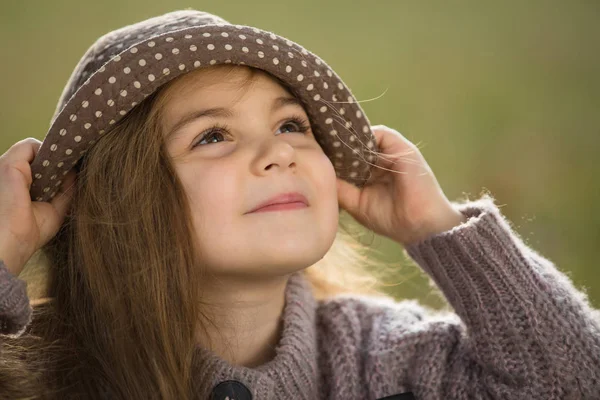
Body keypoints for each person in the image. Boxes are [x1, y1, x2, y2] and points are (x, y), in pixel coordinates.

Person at [0, 9, 598, 400]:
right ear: (120, 199)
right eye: (213, 135)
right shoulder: (39, 370)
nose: (279, 153)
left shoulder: (381, 361)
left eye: (291, 124)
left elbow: (575, 379)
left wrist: (437, 229)